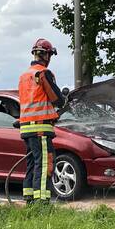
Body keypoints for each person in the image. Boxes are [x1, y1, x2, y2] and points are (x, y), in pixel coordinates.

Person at [17, 38, 66, 204]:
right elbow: (57, 99)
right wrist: (64, 100)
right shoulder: (43, 73)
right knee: (45, 164)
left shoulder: (24, 76)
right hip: (40, 128)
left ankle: (29, 198)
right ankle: (42, 203)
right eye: (50, 55)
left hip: (26, 128)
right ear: (46, 55)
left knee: (32, 163)